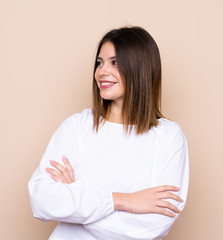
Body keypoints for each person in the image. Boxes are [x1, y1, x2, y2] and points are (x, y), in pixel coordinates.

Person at [28, 26, 189, 240]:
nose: (102, 71)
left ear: (141, 67)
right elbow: (41, 201)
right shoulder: (77, 126)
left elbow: (153, 225)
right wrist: (121, 200)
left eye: (115, 63)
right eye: (99, 63)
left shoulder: (168, 137)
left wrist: (76, 199)